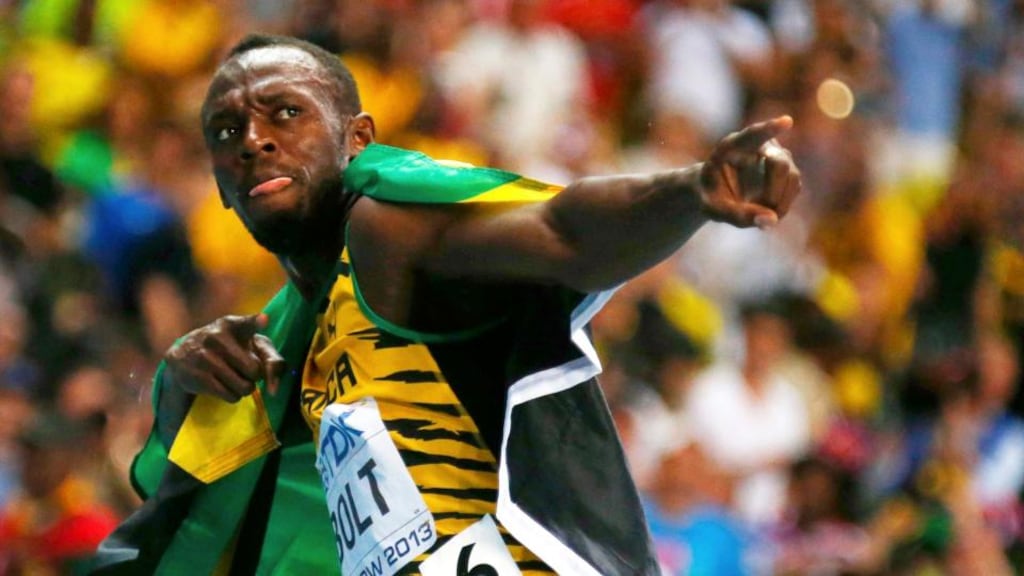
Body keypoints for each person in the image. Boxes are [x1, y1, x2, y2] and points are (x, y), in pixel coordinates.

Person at [94, 33, 801, 575]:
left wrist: (691, 192)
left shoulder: (386, 227)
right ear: (217, 183)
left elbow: (564, 232)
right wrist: (185, 390)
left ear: (359, 139)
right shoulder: (285, 339)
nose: (253, 141)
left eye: (285, 113)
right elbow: (214, 515)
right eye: (225, 132)